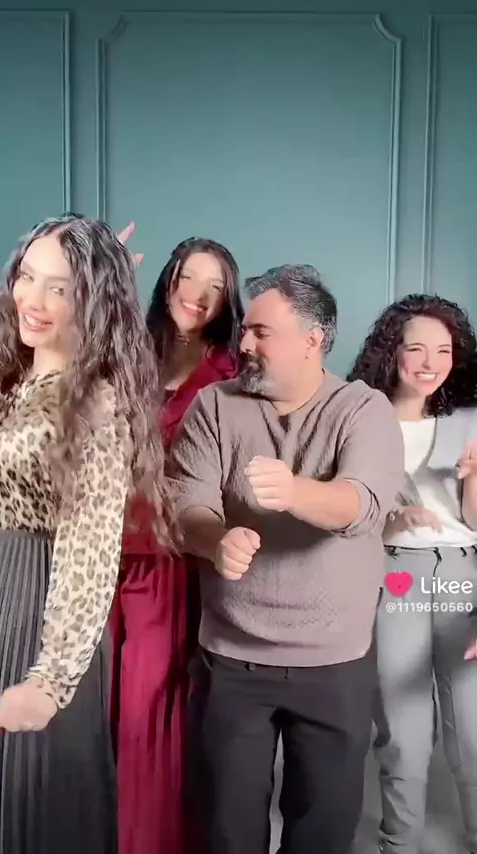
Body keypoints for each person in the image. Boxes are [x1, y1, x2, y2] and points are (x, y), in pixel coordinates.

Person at [167, 264, 404, 854]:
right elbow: (185, 503)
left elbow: (364, 505)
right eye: (244, 329)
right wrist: (215, 539)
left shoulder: (363, 409)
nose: (243, 342)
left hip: (335, 665)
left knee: (322, 831)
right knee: (228, 831)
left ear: (311, 340)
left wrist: (296, 492)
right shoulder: (214, 405)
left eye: (261, 332)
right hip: (231, 662)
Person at [0, 214, 174, 854]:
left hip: (37, 606)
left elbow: (90, 551)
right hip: (2, 587)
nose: (33, 299)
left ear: (93, 302)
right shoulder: (13, 375)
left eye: (60, 289)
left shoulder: (96, 403)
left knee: (31, 805)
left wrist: (50, 680)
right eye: (27, 277)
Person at [110, 237, 244, 854]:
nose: (197, 295)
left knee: (151, 712)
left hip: (173, 564)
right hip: (99, 553)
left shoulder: (232, 372)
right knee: (96, 706)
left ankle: (151, 842)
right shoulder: (127, 352)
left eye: (215, 287)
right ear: (169, 280)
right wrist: (96, 273)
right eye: (189, 278)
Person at [348, 294, 477, 854]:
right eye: (417, 348)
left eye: (443, 351)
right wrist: (392, 521)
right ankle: (398, 844)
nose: (430, 363)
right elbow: (347, 514)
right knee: (402, 730)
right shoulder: (359, 419)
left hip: (463, 575)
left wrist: (473, 479)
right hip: (394, 573)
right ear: (391, 350)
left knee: (473, 730)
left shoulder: (470, 420)